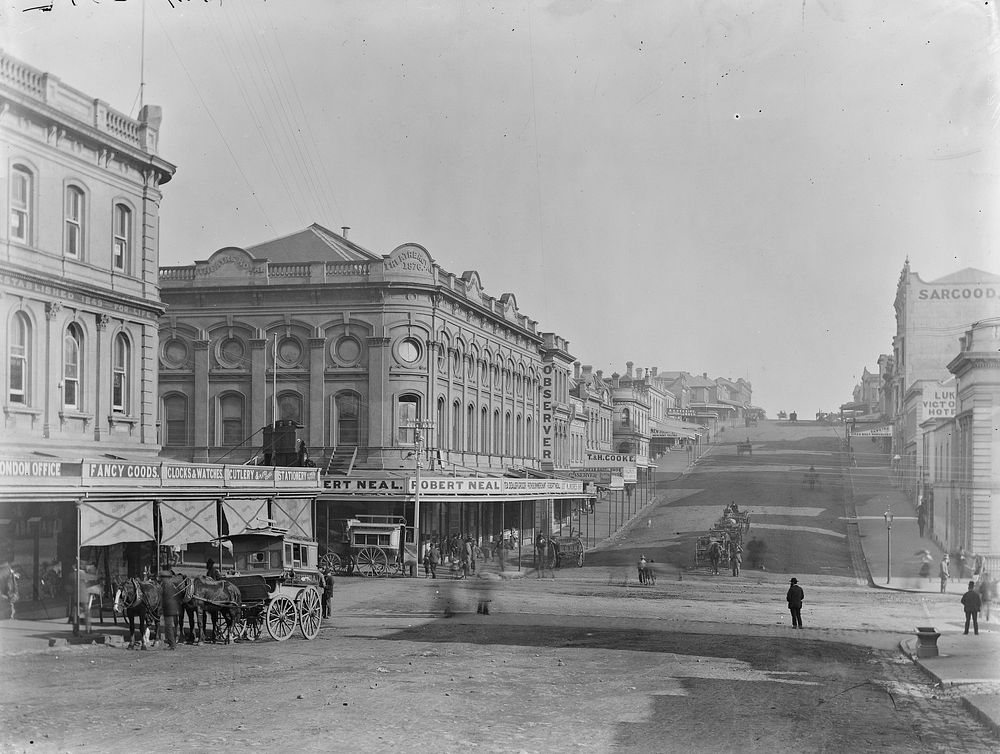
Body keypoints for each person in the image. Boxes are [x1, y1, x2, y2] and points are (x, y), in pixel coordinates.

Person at [158, 569, 181, 649]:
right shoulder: (170, 584)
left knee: (168, 627)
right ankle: (171, 643)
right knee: (169, 627)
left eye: (162, 577)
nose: (161, 579)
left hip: (169, 609)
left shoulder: (166, 585)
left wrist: (161, 608)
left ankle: (172, 645)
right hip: (172, 608)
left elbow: (166, 598)